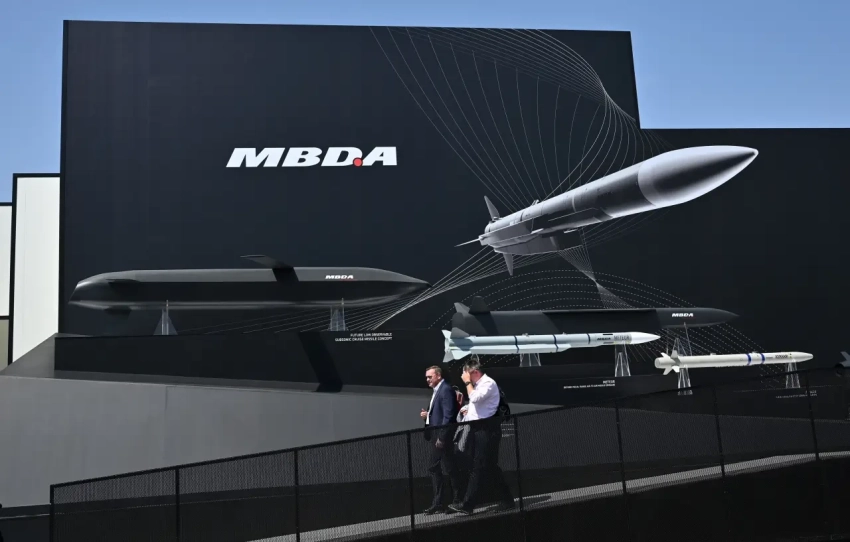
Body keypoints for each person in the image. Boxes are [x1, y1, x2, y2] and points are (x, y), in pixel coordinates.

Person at [448, 359, 515, 515]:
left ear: (475, 372)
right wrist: (467, 410)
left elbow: (475, 398)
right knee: (490, 466)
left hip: (487, 430)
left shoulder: (487, 383)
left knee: (478, 466)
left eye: (466, 374)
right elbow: (476, 404)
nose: (464, 377)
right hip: (478, 429)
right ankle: (507, 500)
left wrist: (467, 383)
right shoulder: (478, 386)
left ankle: (467, 505)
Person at [420, 365, 463, 514]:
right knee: (447, 467)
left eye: (430, 377)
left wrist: (442, 437)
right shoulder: (438, 390)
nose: (427, 380)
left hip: (441, 435)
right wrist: (428, 416)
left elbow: (448, 415)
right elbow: (440, 413)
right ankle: (447, 501)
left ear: (438, 375)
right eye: (426, 377)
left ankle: (451, 501)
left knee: (441, 467)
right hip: (436, 434)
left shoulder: (445, 390)